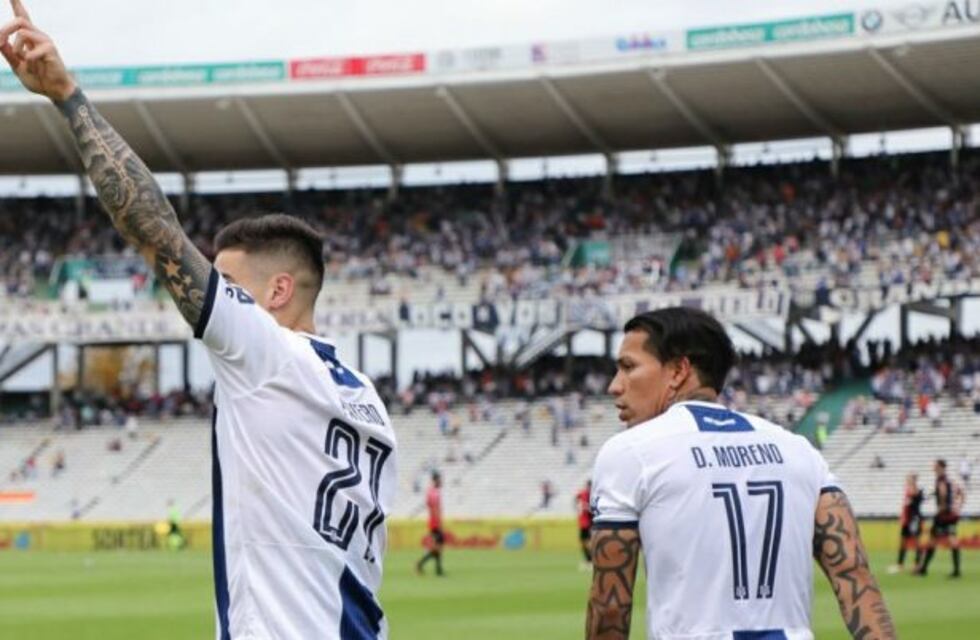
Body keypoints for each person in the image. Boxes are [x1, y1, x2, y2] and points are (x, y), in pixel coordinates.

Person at [0, 5, 398, 638]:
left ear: (279, 292)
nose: (216, 299)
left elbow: (155, 231)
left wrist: (66, 96)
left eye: (230, 285)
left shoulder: (267, 356)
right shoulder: (365, 397)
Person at [587, 308, 894, 640]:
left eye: (628, 367)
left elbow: (611, 607)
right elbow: (854, 575)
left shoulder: (631, 452)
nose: (614, 386)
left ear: (678, 370)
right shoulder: (799, 451)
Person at [915, 459, 963, 578]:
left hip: (943, 515)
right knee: (951, 540)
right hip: (951, 514)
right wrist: (957, 507)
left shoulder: (941, 480)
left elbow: (943, 493)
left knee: (933, 540)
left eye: (935, 466)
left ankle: (923, 569)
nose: (933, 468)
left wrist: (941, 508)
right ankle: (956, 570)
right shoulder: (949, 480)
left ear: (941, 467)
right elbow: (960, 493)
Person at [889, 473, 924, 574]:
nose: (907, 481)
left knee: (916, 541)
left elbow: (915, 501)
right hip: (907, 520)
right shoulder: (908, 491)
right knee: (903, 542)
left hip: (914, 520)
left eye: (909, 480)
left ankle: (918, 564)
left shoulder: (916, 491)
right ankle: (900, 564)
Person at [416, 471, 445, 576]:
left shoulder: (431, 491)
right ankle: (420, 564)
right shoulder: (434, 492)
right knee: (437, 547)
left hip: (433, 522)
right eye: (439, 479)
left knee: (438, 547)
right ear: (435, 480)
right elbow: (434, 508)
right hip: (435, 523)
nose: (441, 481)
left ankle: (438, 570)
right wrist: (438, 523)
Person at [575, 480, 593, 570]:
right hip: (584, 523)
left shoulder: (589, 495)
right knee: (584, 542)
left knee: (588, 542)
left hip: (588, 523)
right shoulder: (583, 494)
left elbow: (590, 509)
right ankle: (589, 560)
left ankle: (591, 560)